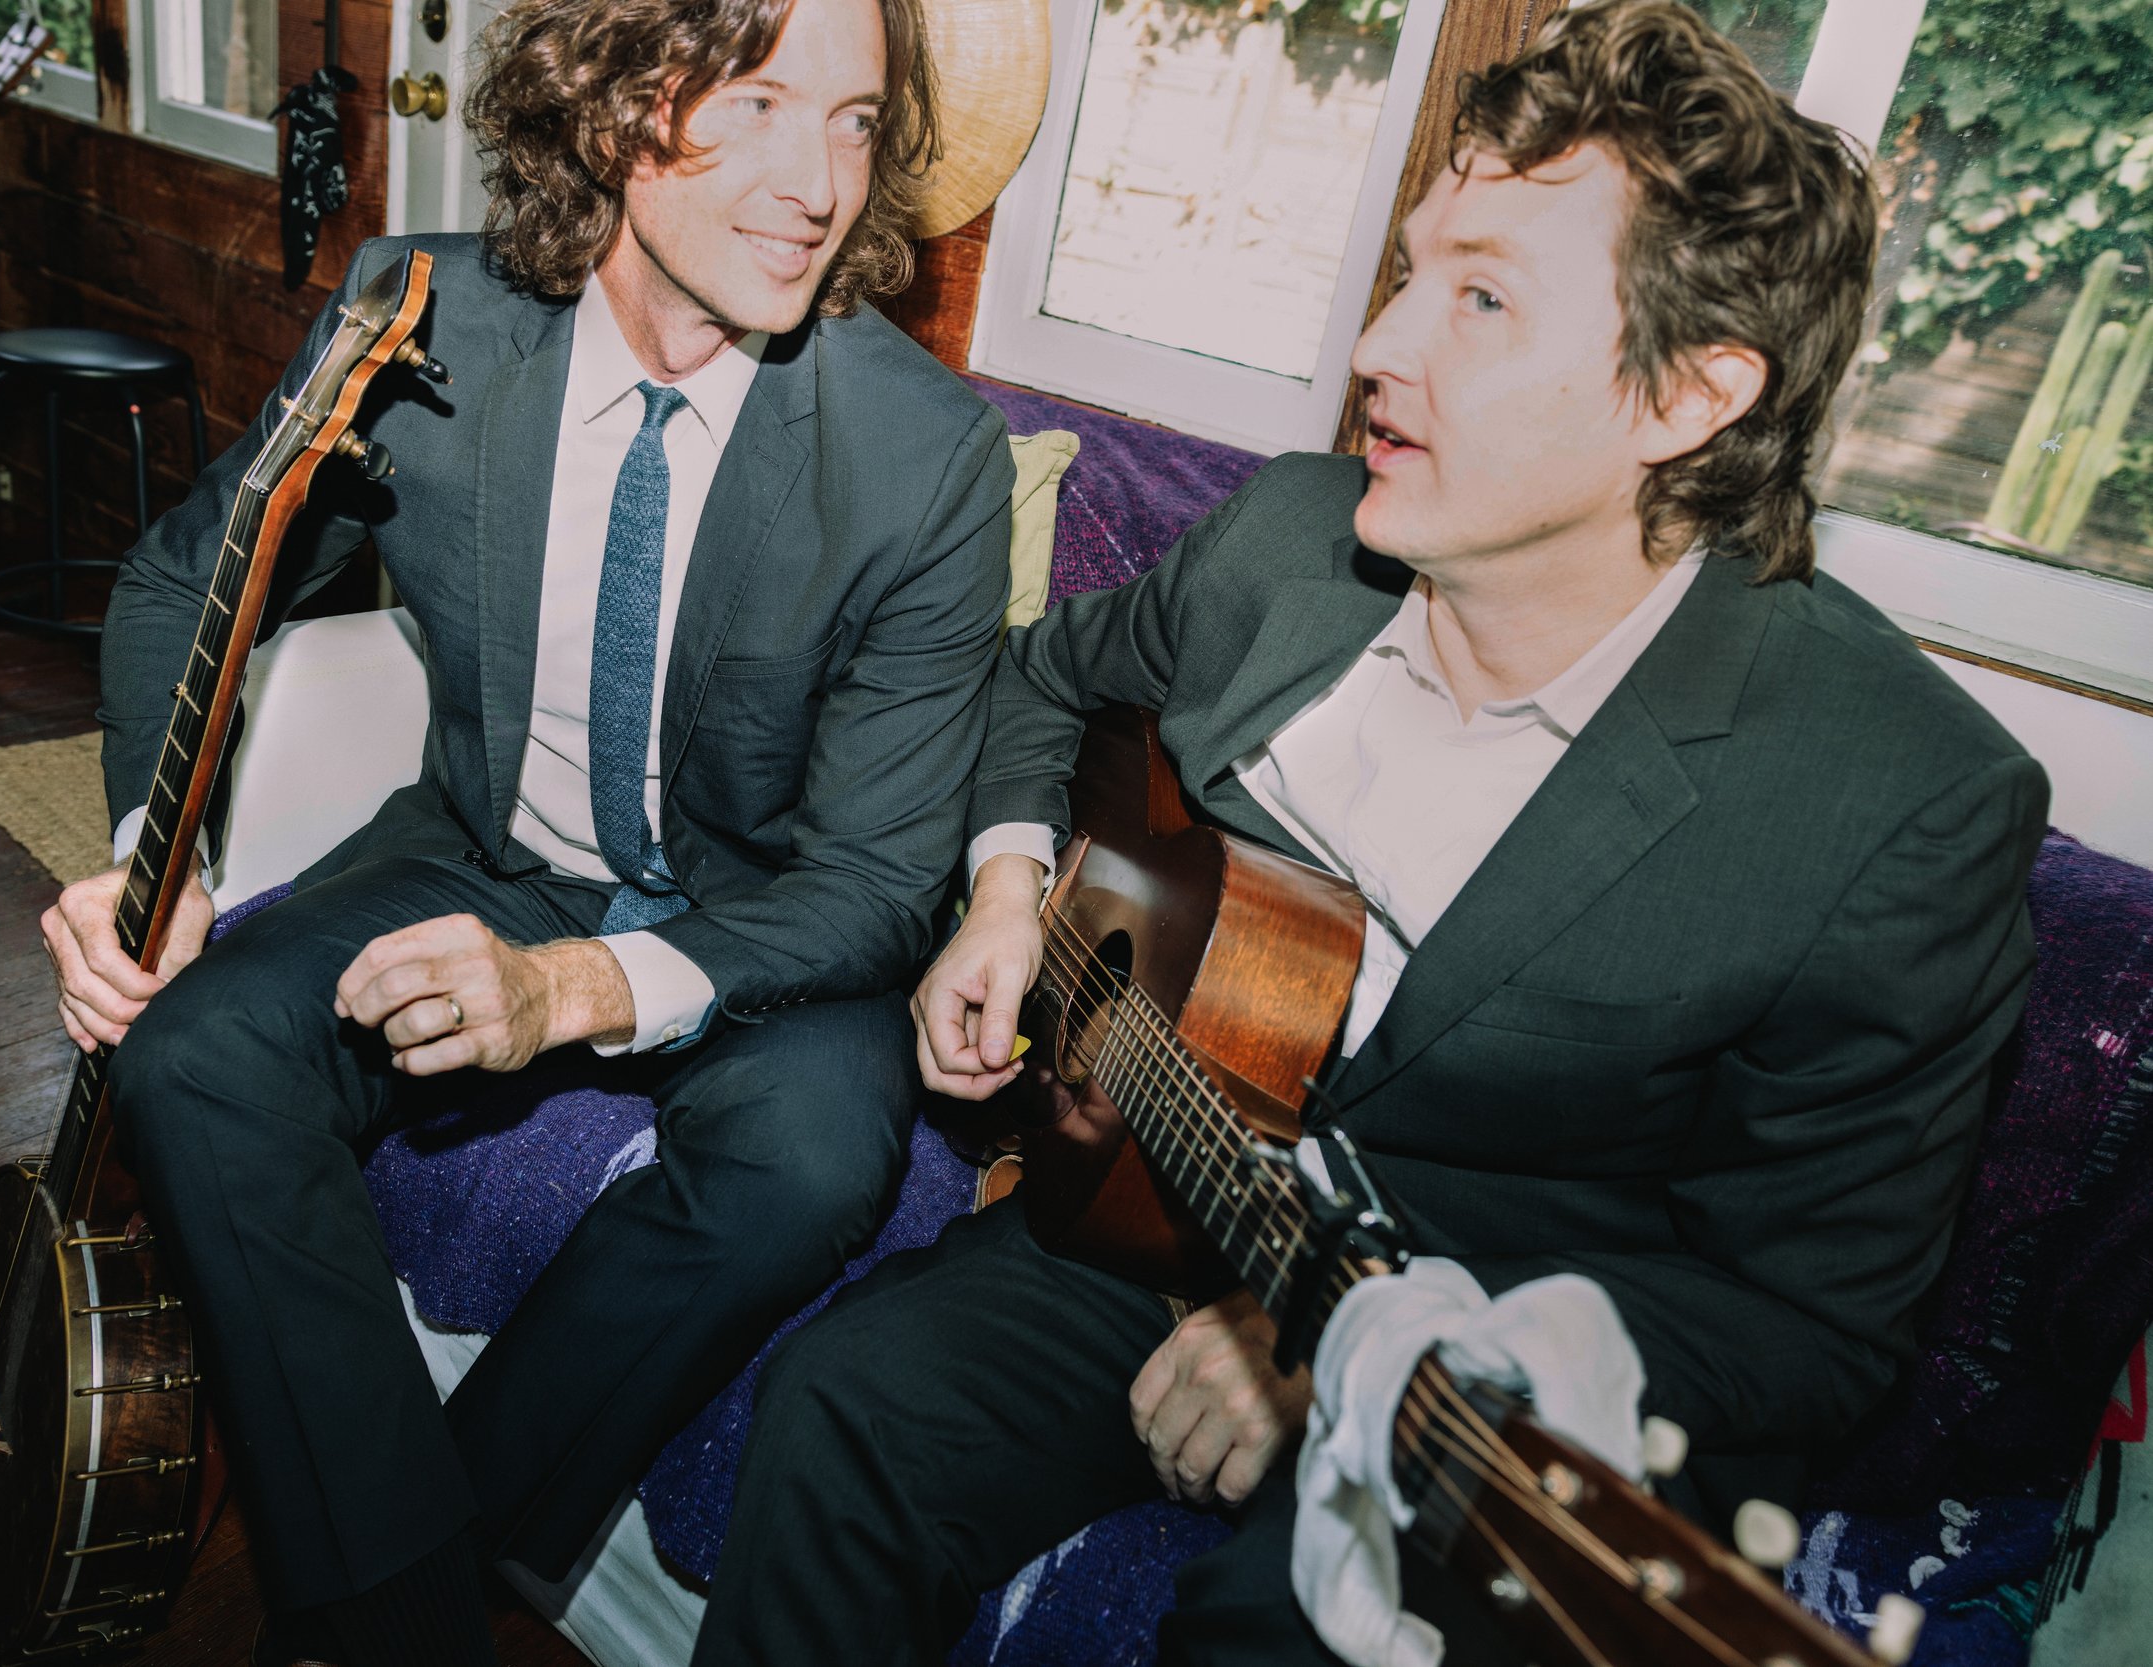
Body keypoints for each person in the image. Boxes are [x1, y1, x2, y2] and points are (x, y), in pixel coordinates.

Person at [690, 4, 2051, 1664]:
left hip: (1475, 1380)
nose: (1380, 346)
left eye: (1481, 299)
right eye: (1410, 274)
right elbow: (1044, 681)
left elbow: (1805, 1323)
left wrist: (1354, 1345)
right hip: (1146, 1206)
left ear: (1694, 394)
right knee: (846, 1407)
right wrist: (1005, 891)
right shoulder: (1290, 540)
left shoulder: (1899, 806)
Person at [37, 0, 1013, 1662]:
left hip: (765, 918)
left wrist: (569, 992)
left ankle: (406, 1579)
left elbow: (869, 883)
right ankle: (415, 1623)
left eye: (855, 121)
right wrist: (160, 849)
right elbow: (188, 579)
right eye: (760, 104)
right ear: (618, 106)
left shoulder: (925, 458)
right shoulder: (418, 326)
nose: (820, 182)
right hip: (489, 849)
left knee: (808, 1160)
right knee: (192, 1055)